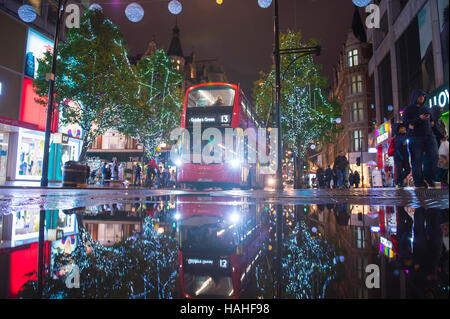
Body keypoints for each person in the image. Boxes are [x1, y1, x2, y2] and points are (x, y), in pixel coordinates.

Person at [403, 90, 439, 188]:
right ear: (415, 97)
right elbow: (406, 123)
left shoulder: (427, 108)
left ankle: (428, 177)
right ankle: (418, 182)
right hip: (415, 137)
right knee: (416, 160)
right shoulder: (408, 109)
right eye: (419, 96)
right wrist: (419, 119)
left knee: (434, 156)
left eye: (423, 96)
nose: (422, 98)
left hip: (429, 136)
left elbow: (432, 123)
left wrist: (439, 135)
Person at [393, 123, 411, 188]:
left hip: (405, 156)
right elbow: (399, 145)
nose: (405, 129)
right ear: (399, 129)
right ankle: (398, 183)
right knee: (399, 170)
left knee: (408, 170)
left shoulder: (404, 136)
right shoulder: (397, 137)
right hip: (398, 156)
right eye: (403, 128)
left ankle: (399, 181)